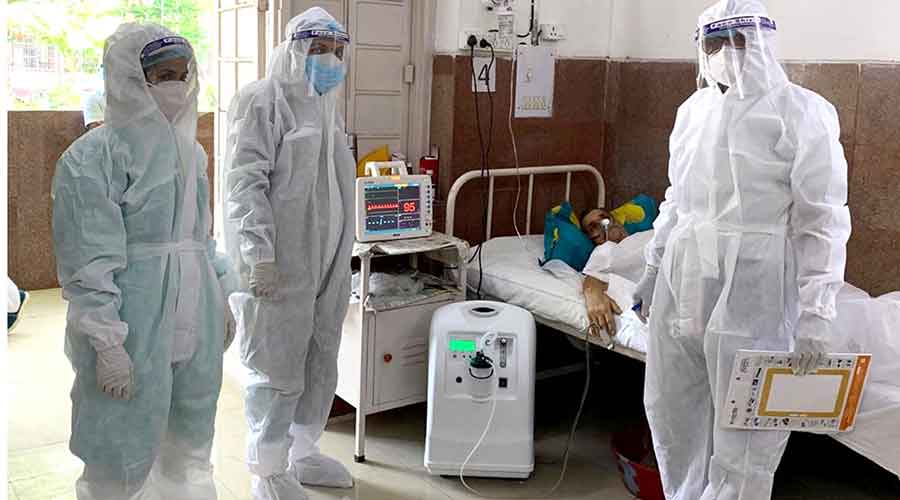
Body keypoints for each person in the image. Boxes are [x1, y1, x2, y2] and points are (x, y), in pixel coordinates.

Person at [631, 1, 852, 499]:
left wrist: (817, 311)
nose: (725, 54)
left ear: (762, 43)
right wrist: (651, 268)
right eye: (713, 44)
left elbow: (823, 219)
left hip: (756, 289)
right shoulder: (692, 112)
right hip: (684, 279)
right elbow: (676, 200)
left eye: (738, 41)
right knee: (672, 411)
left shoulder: (803, 112)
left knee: (748, 430)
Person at [53, 23, 236, 500]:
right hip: (133, 327)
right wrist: (107, 343)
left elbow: (201, 238)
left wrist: (220, 297)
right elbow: (88, 265)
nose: (175, 86)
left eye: (182, 74)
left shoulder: (190, 154)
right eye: (161, 75)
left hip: (192, 318)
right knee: (119, 447)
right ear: (129, 79)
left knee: (188, 437)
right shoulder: (91, 159)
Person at [223, 7, 355, 499]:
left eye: (337, 52)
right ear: (293, 50)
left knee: (320, 357)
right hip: (279, 266)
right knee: (275, 366)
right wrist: (258, 253)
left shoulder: (326, 108)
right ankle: (267, 470)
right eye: (319, 50)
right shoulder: (262, 101)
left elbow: (332, 193)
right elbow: (244, 185)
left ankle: (302, 450)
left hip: (325, 266)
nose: (329, 61)